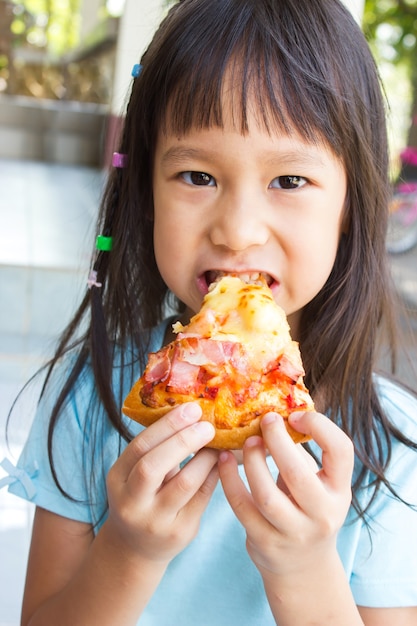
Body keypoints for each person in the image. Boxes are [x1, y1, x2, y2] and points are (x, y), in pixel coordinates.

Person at [4, 0, 417, 624]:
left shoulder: (394, 452)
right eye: (197, 175)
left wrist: (305, 569)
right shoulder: (88, 399)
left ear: (352, 207)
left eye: (289, 181)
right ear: (146, 195)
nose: (237, 230)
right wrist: (129, 550)